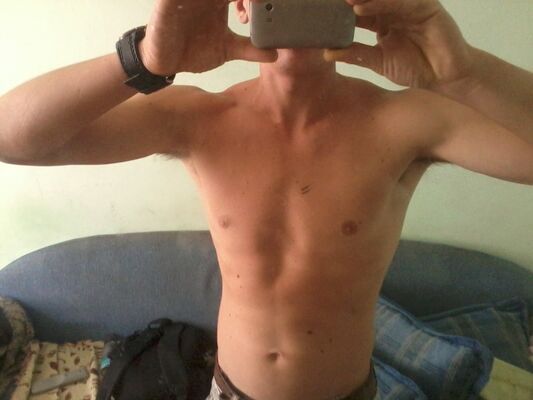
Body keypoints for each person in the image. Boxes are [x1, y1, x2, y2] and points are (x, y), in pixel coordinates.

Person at [0, 0, 531, 399]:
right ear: (241, 7)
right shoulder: (198, 119)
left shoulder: (402, 121)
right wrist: (143, 59)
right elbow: (13, 139)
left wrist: (463, 72)